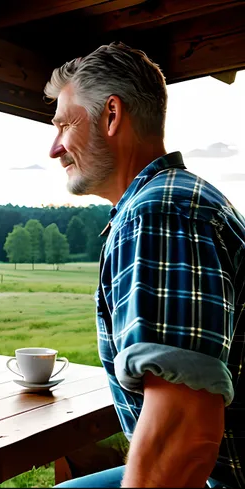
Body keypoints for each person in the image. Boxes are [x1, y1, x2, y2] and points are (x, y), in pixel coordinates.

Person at [45, 42, 245, 488]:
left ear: (112, 115)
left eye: (63, 125)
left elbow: (184, 436)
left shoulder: (159, 213)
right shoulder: (175, 200)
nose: (54, 149)